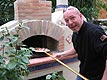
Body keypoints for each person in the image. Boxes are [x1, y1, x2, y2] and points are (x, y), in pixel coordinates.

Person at [54, 6, 107, 80]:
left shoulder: (95, 32)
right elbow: (77, 49)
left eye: (72, 18)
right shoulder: (75, 34)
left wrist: (105, 78)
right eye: (67, 20)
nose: (70, 23)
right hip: (82, 74)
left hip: (98, 77)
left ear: (80, 16)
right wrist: (62, 54)